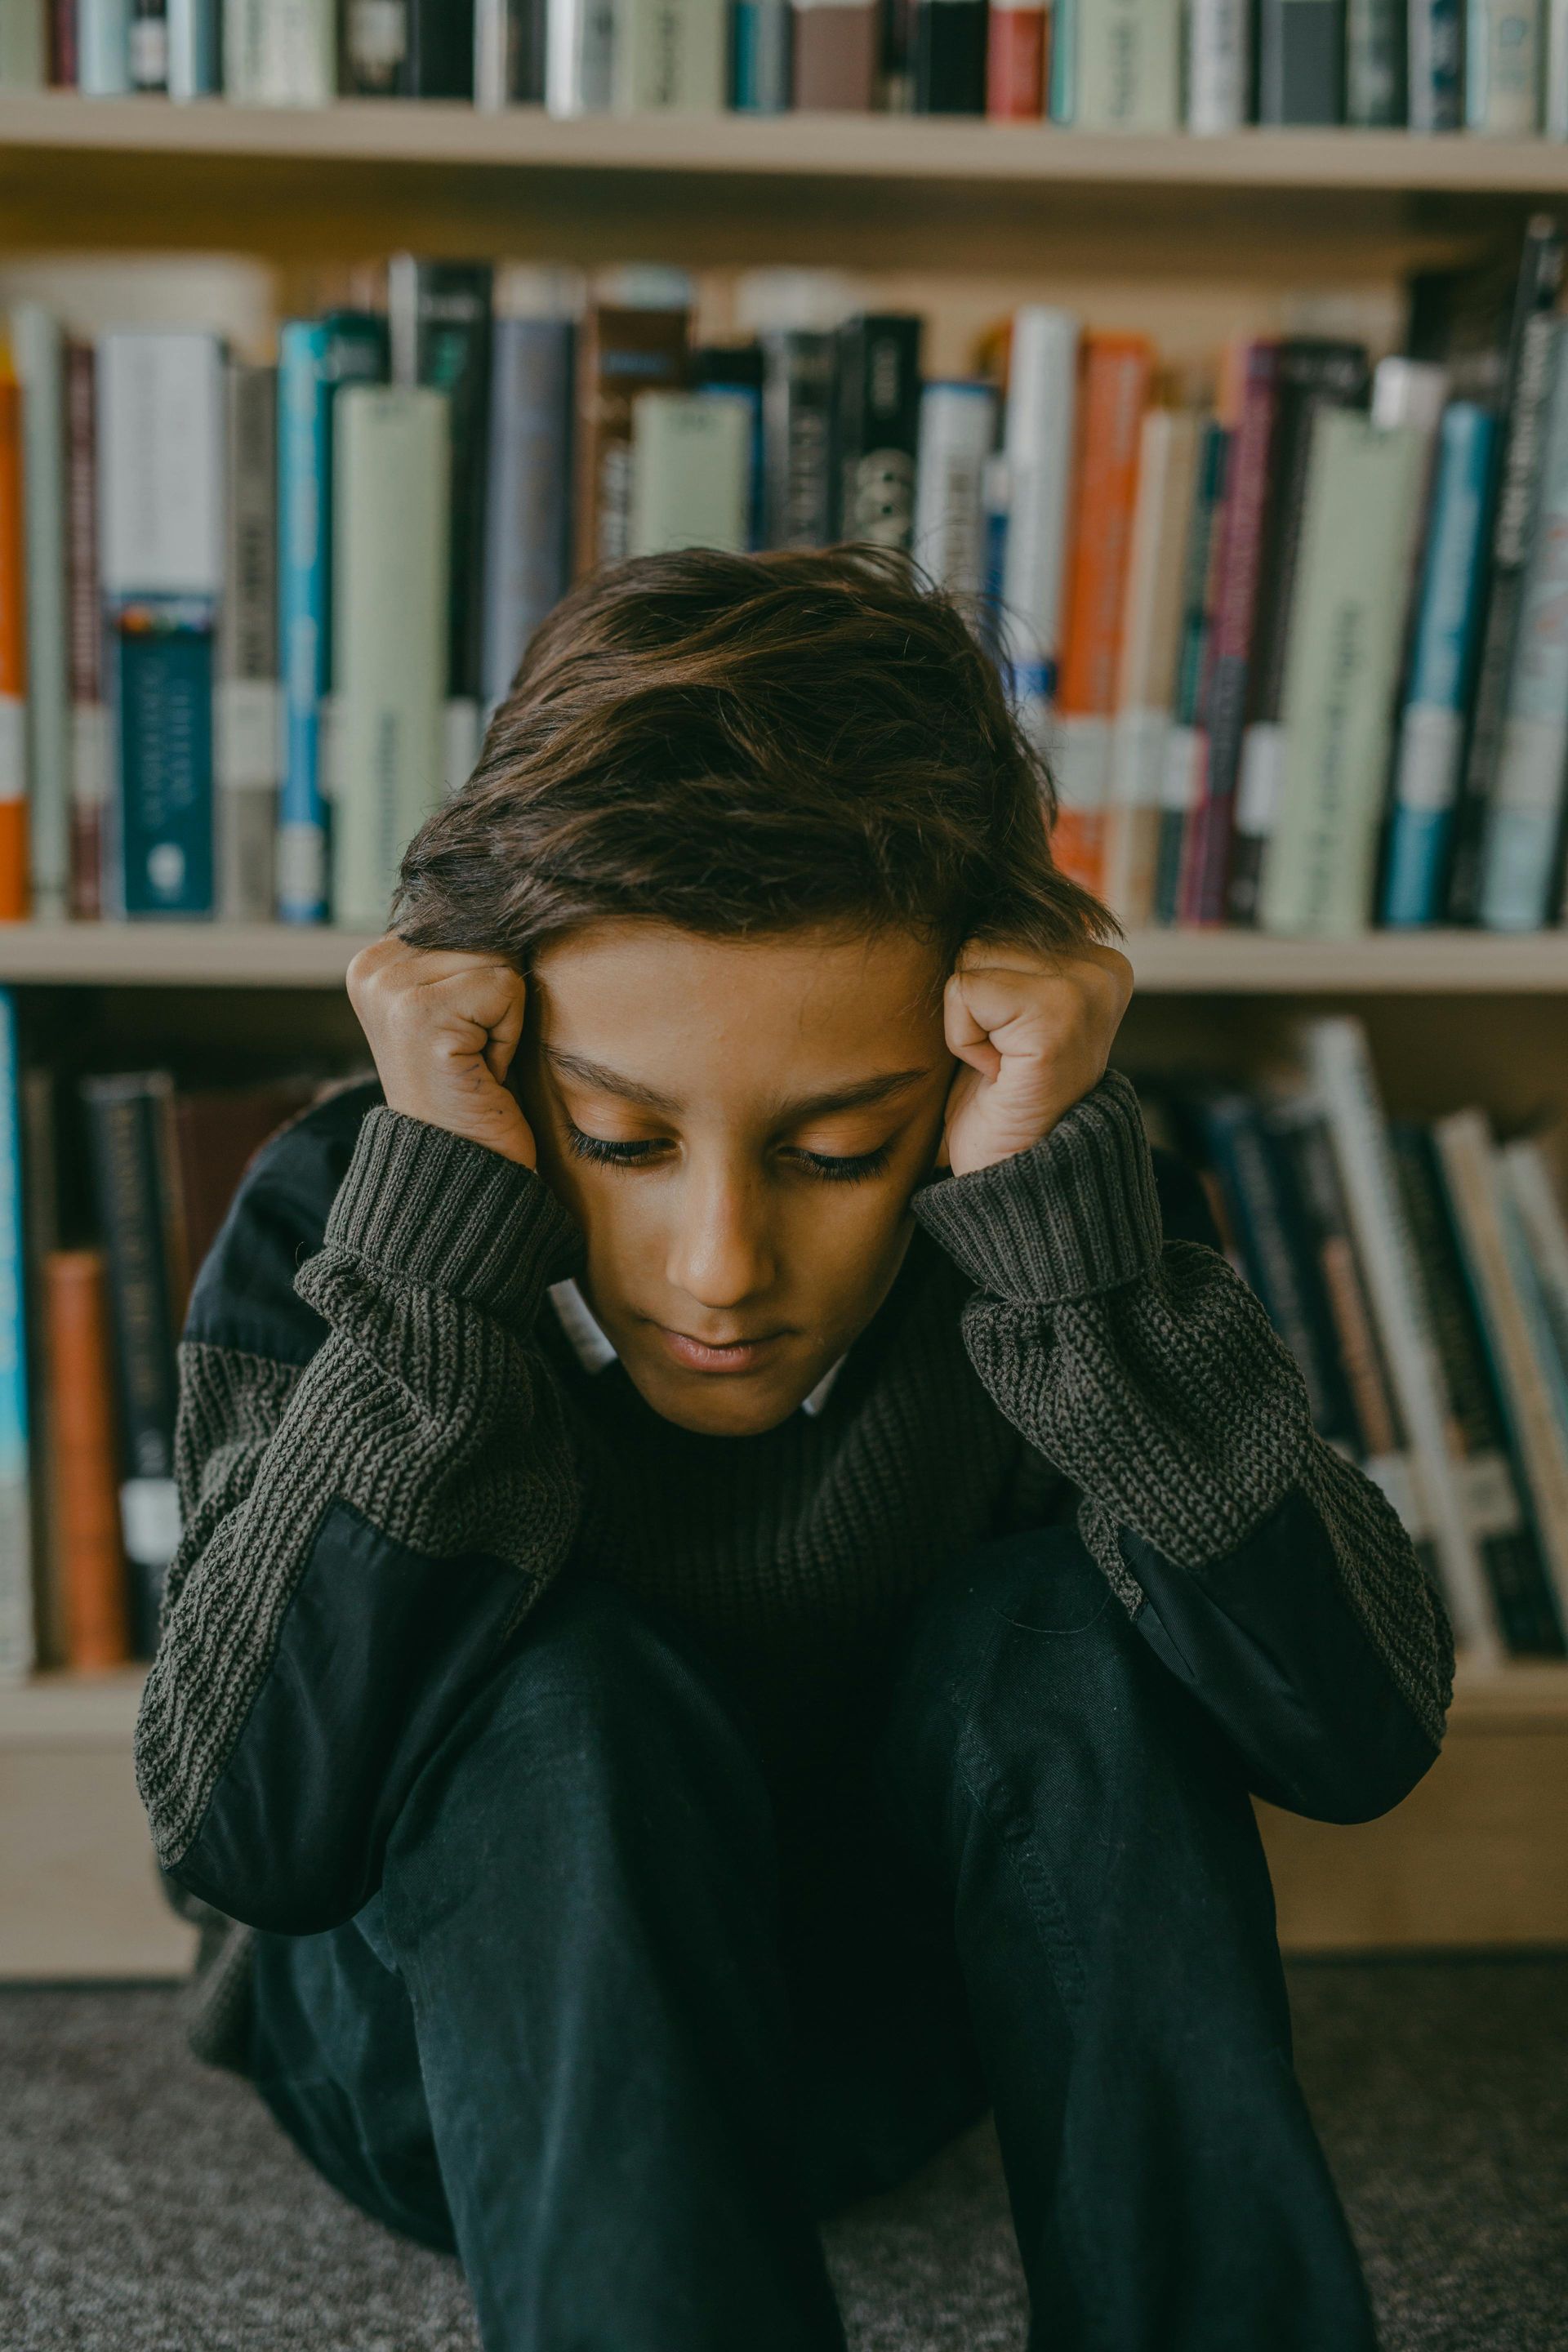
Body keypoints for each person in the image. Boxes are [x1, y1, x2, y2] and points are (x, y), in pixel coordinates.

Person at [137, 546, 1453, 2352]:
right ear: (504, 1056)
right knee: (559, 1690)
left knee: (1068, 1635)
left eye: (838, 1155)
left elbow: (1354, 1731)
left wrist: (1067, 1256)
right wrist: (441, 1270)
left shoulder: (1052, 1201)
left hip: (875, 2060)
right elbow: (250, 1839)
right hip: (434, 2082)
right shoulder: (350, 1219)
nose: (723, 1269)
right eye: (617, 1138)